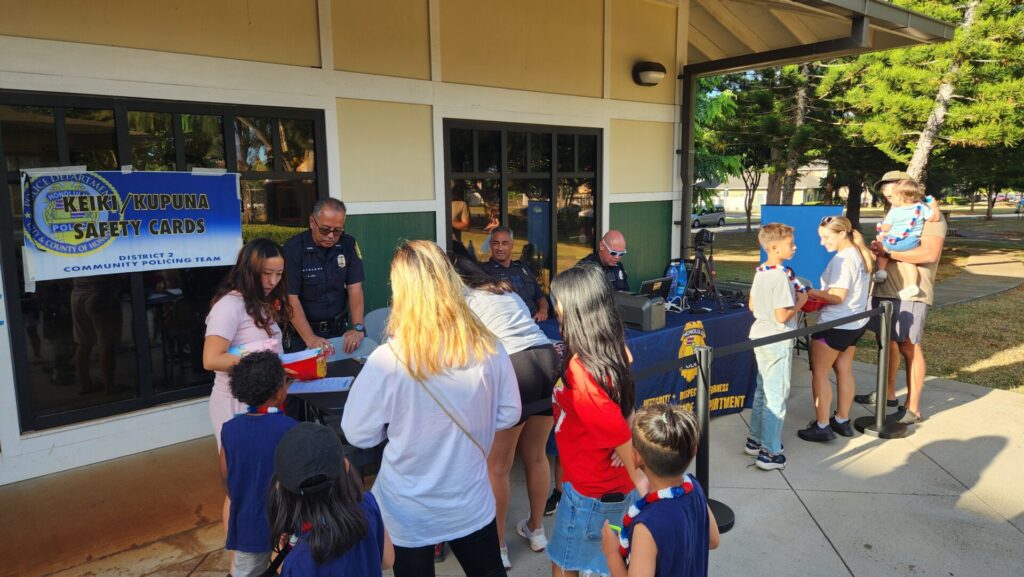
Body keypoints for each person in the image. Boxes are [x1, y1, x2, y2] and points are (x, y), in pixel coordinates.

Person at [342, 240, 520, 577]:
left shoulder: (387, 360)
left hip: (408, 508)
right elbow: (509, 413)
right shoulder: (489, 347)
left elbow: (358, 434)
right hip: (470, 498)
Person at [450, 254, 561, 569]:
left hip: (513, 367)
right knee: (537, 455)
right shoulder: (503, 289)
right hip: (547, 358)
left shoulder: (461, 299)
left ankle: (498, 547)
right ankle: (536, 530)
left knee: (497, 466)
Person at [546, 263, 647, 577]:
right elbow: (624, 407)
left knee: (564, 564)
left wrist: (636, 468)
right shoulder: (609, 348)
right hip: (603, 485)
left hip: (591, 491)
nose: (555, 307)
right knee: (605, 561)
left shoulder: (582, 368)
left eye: (559, 301)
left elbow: (614, 426)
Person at [856, 172, 947, 425]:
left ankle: (913, 408)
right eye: (883, 192)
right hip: (886, 289)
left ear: (905, 188)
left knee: (909, 345)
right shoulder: (895, 213)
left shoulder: (927, 215)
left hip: (912, 292)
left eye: (890, 190)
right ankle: (888, 396)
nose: (886, 195)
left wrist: (889, 252)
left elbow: (928, 253)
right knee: (886, 342)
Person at [600, 404, 720, 577]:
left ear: (635, 458)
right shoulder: (693, 488)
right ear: (694, 451)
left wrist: (611, 553)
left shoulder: (646, 526)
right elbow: (713, 540)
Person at [269, 422, 394, 576]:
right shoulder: (367, 504)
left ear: (279, 487)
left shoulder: (297, 558)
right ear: (346, 466)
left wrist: (281, 559)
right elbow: (387, 561)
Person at [203, 238, 292, 450]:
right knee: (242, 468)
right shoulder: (228, 306)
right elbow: (211, 359)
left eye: (279, 274)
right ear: (248, 272)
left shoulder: (261, 303)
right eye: (266, 273)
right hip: (237, 403)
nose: (273, 281)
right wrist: (265, 365)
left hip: (265, 400)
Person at [220, 351, 298, 577]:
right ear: (278, 390)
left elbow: (225, 477)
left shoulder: (230, 428)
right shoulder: (290, 428)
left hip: (247, 525)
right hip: (284, 523)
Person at [798, 216, 873, 442]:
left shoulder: (842, 259)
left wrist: (809, 291)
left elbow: (838, 297)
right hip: (855, 323)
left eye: (826, 237)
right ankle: (842, 420)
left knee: (820, 373)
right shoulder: (861, 253)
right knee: (844, 369)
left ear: (842, 234)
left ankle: (822, 426)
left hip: (835, 324)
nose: (823, 243)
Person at [744, 224, 807, 470]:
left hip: (760, 334)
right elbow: (781, 316)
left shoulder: (762, 272)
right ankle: (770, 451)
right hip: (776, 338)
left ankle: (755, 439)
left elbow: (751, 304)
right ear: (774, 247)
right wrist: (800, 302)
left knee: (763, 390)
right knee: (776, 394)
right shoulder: (780, 275)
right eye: (790, 244)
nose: (794, 247)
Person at [283, 198, 365, 355]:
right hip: (302, 336)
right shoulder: (293, 249)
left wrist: (358, 328)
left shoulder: (348, 245)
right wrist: (310, 338)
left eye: (337, 231)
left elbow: (355, 289)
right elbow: (290, 299)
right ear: (312, 222)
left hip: (339, 330)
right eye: (325, 230)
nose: (331, 236)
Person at [873, 179, 941, 299]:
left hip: (911, 301)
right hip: (885, 292)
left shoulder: (896, 212)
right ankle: (911, 285)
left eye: (891, 196)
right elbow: (933, 217)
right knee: (909, 263)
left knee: (885, 251)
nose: (890, 201)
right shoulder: (921, 209)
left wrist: (886, 252)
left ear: (900, 194)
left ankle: (881, 272)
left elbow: (930, 255)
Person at [484, 226, 550, 321]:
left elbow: (540, 297)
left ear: (512, 245)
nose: (500, 248)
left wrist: (543, 311)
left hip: (535, 322)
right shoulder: (484, 272)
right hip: (509, 325)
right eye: (495, 243)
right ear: (490, 245)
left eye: (505, 243)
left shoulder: (523, 269)